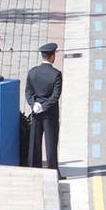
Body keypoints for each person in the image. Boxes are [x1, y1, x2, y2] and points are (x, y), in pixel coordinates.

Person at [25, 42, 62, 171]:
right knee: (51, 143)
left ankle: (34, 168)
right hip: (50, 113)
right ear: (52, 56)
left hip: (36, 112)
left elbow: (28, 92)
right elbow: (55, 96)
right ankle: (53, 170)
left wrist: (33, 104)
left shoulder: (32, 72)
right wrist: (44, 106)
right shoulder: (56, 74)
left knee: (35, 142)